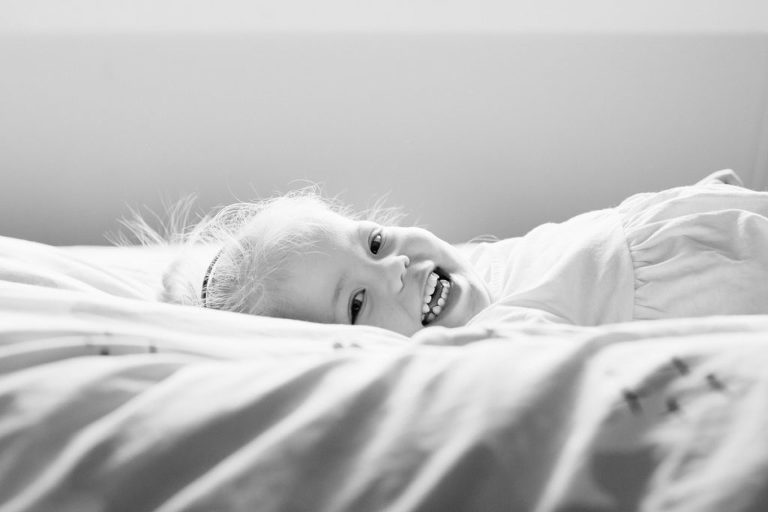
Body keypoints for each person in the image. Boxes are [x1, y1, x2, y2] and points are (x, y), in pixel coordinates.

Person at [133, 169, 768, 337]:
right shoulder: (478, 340)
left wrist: (699, 203)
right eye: (357, 302)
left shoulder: (483, 267)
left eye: (374, 242)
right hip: (706, 281)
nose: (394, 268)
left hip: (698, 229)